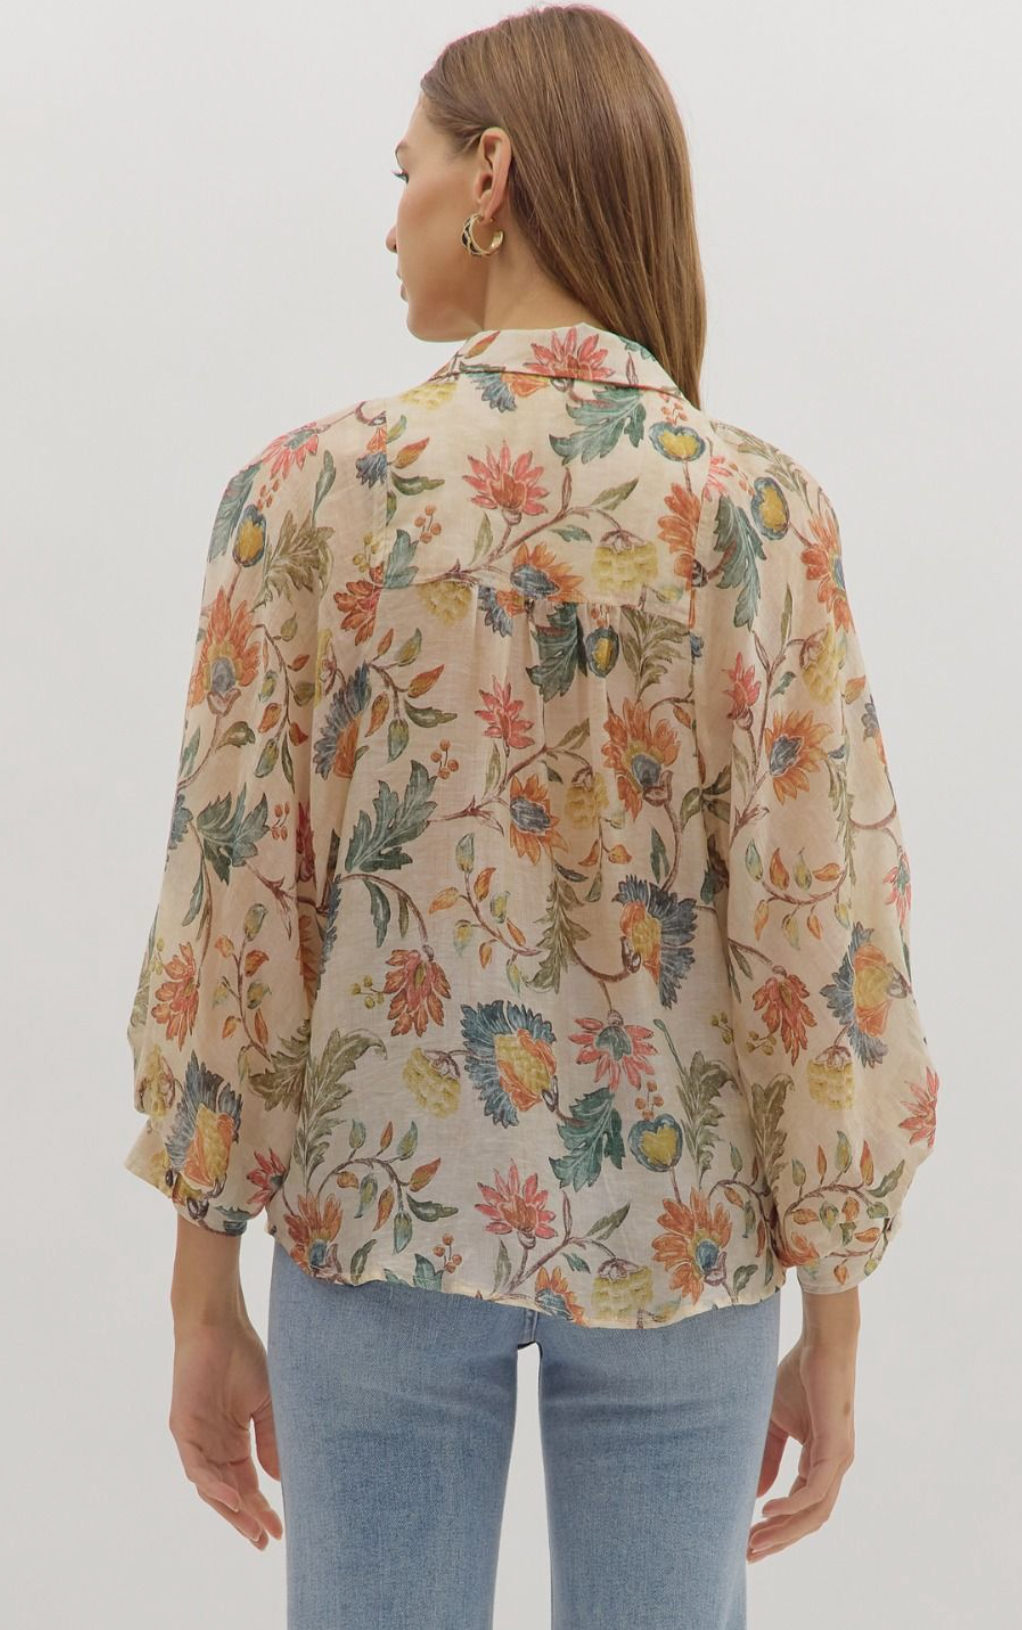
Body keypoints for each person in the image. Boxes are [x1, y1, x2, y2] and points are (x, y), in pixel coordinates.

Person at [122, 7, 940, 1627]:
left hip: (376, 1222)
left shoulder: (309, 493)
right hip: (684, 1241)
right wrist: (833, 1313)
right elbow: (820, 930)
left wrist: (200, 1285)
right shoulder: (757, 514)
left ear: (488, 175)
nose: (391, 219)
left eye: (406, 170)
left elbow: (238, 904)